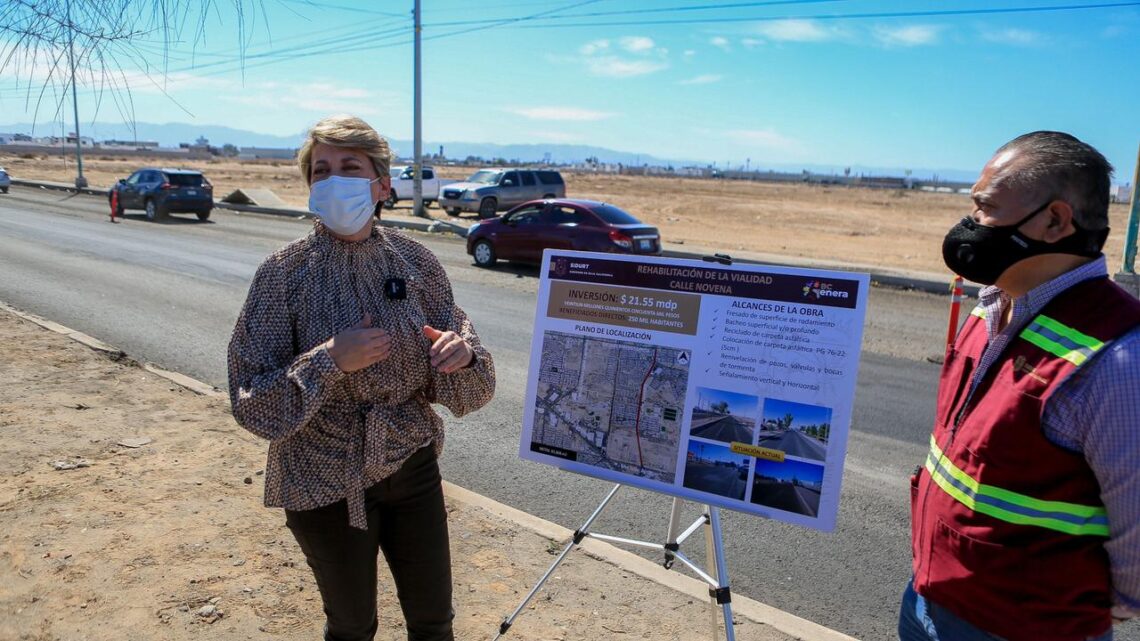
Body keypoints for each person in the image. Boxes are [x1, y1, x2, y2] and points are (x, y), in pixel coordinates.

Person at [227, 114, 496, 641]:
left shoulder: (416, 261)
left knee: (434, 622)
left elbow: (475, 382)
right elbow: (249, 399)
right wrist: (328, 359)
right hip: (322, 476)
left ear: (382, 184)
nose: (332, 180)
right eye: (320, 171)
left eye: (349, 167)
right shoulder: (283, 273)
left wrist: (460, 357)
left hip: (411, 465)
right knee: (352, 626)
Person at [900, 131, 1140, 641]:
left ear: (1055, 221)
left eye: (985, 208)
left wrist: (1079, 610)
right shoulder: (991, 308)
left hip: (1028, 628)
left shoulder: (1118, 356)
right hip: (930, 597)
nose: (969, 224)